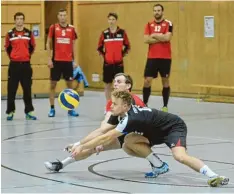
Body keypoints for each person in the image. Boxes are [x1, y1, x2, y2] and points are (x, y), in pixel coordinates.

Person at [70, 90, 229, 187]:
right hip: (152, 132)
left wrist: (82, 148)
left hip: (172, 127)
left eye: (115, 104)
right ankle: (159, 165)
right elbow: (101, 131)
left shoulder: (130, 119)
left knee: (180, 156)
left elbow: (106, 138)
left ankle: (214, 176)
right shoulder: (120, 114)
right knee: (128, 143)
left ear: (125, 106)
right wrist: (79, 143)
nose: (111, 106)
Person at [44, 73, 169, 177]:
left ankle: (158, 163)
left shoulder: (135, 101)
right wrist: (79, 144)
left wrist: (104, 139)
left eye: (119, 81)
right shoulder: (113, 102)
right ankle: (61, 164)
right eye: (115, 81)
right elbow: (104, 127)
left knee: (128, 142)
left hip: (146, 133)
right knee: (94, 146)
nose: (115, 84)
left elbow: (142, 125)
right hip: (124, 132)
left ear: (128, 86)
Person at [46, 8, 79, 117]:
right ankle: (52, 109)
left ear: (67, 16)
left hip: (68, 62)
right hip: (56, 61)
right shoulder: (53, 28)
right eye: (60, 15)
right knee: (52, 85)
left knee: (70, 85)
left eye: (64, 15)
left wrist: (75, 60)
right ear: (58, 16)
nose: (62, 17)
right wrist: (49, 58)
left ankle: (71, 109)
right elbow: (48, 43)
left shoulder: (72, 29)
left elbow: (74, 45)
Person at [4, 12, 37, 121]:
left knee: (27, 89)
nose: (19, 21)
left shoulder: (29, 33)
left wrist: (25, 56)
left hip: (26, 66)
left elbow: (32, 47)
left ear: (23, 20)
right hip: (14, 66)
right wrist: (15, 57)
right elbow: (7, 48)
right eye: (17, 19)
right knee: (11, 90)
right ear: (15, 21)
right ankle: (10, 112)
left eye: (21, 19)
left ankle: (29, 112)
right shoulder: (10, 34)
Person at [143, 4, 173, 112]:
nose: (157, 12)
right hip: (152, 57)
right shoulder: (148, 24)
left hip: (165, 58)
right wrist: (161, 37)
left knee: (165, 80)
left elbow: (167, 37)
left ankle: (165, 106)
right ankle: (145, 104)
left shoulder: (168, 23)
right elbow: (146, 39)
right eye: (155, 10)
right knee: (147, 80)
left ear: (162, 12)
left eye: (159, 10)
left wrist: (154, 34)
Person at [97, 12, 130, 106]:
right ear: (108, 20)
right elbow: (99, 48)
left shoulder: (122, 32)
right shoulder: (104, 33)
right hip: (108, 64)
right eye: (110, 19)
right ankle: (108, 105)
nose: (111, 21)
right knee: (107, 85)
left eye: (113, 19)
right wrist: (106, 57)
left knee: (119, 86)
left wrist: (121, 55)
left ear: (116, 20)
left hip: (119, 64)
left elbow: (127, 47)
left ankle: (118, 105)